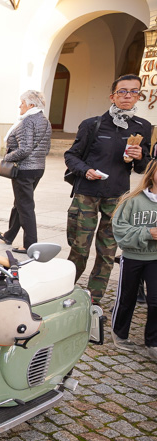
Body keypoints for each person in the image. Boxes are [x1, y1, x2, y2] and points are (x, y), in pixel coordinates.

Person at [65, 74, 151, 304]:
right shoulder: (93, 124)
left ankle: (94, 300)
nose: (128, 96)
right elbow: (71, 156)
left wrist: (141, 156)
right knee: (79, 251)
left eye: (134, 92)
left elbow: (143, 168)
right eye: (122, 91)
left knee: (107, 252)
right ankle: (62, 293)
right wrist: (85, 170)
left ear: (138, 96)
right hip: (87, 195)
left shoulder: (142, 127)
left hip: (118, 197)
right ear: (112, 96)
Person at [110, 159, 157, 360]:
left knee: (155, 300)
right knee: (126, 297)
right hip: (132, 257)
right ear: (152, 172)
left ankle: (153, 342)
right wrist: (147, 232)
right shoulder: (132, 199)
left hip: (155, 258)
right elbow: (119, 229)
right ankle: (119, 334)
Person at [0, 90, 52, 253]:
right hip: (38, 168)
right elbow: (46, 148)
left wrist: (7, 158)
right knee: (20, 203)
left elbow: (25, 149)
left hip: (24, 169)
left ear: (31, 105)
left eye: (22, 102)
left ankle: (30, 244)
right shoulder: (45, 121)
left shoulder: (28, 121)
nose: (19, 105)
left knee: (25, 206)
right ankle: (9, 234)